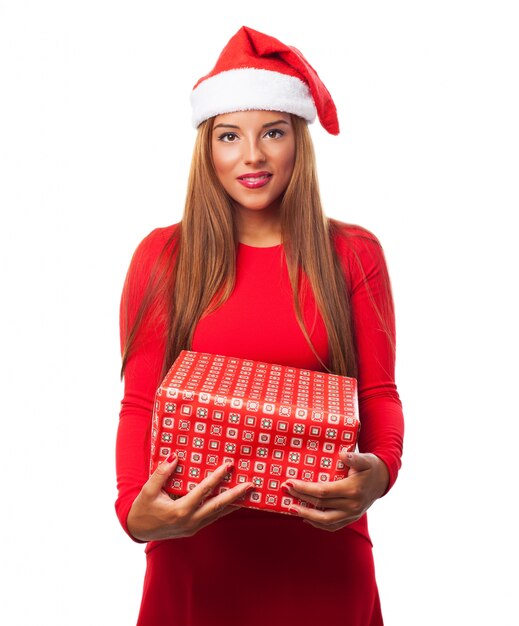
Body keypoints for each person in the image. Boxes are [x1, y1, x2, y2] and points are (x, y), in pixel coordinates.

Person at [116, 25, 404, 626]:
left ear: (298, 141)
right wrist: (132, 513)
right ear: (208, 148)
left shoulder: (353, 254)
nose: (252, 155)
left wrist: (379, 474)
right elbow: (140, 404)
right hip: (195, 561)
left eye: (273, 132)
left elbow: (378, 395)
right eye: (230, 135)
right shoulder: (163, 258)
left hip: (323, 559)